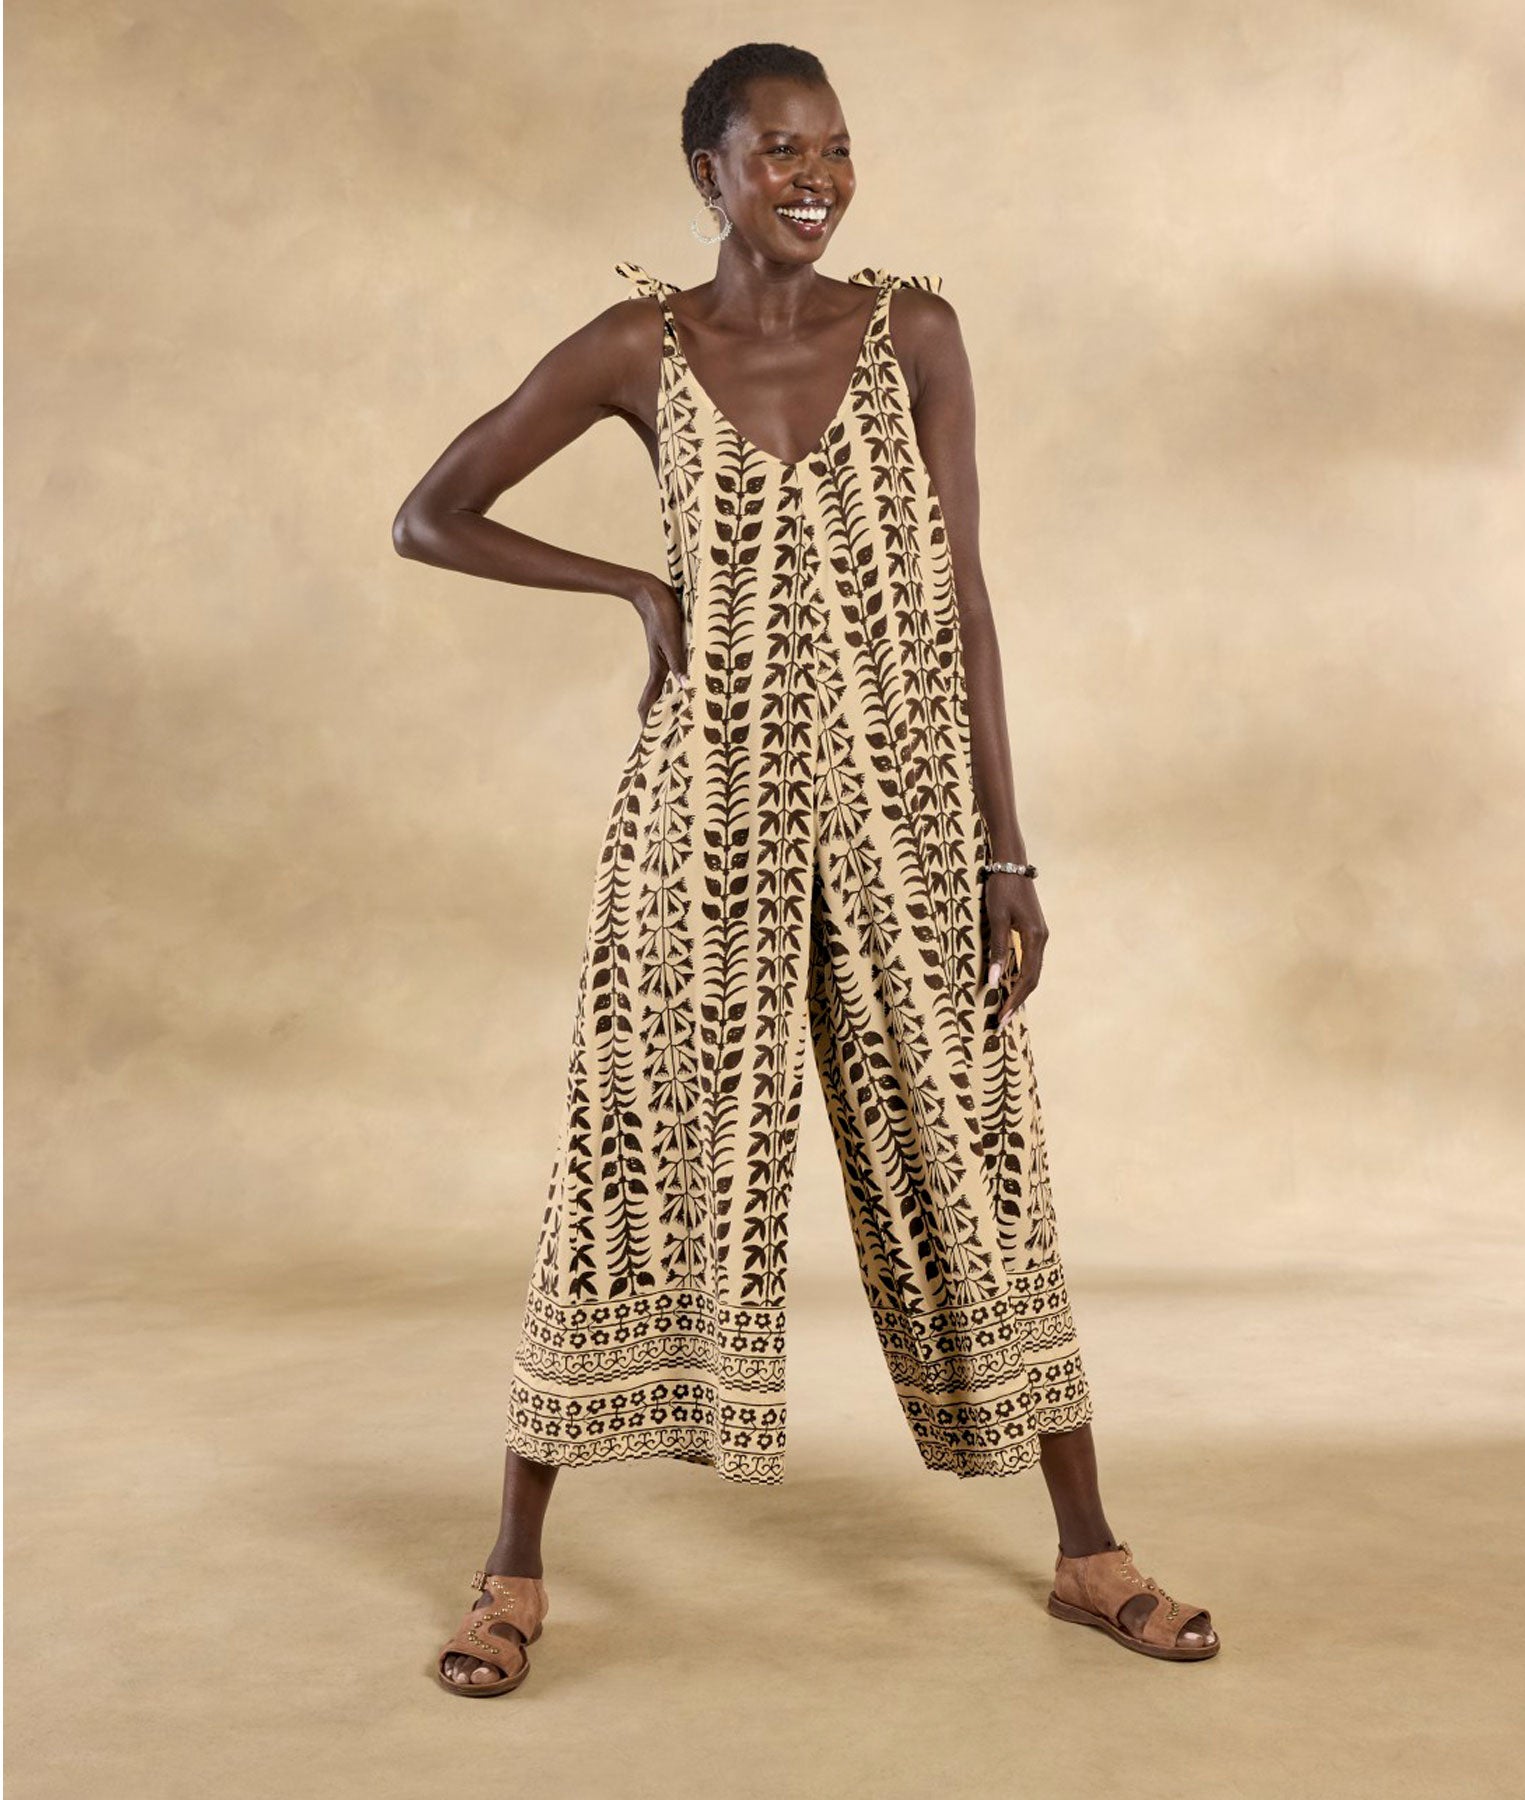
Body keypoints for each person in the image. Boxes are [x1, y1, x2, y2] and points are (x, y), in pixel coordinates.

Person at [392, 41, 1218, 1695]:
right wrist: (636, 589)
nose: (818, 178)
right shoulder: (638, 349)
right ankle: (511, 1570)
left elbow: (964, 598)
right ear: (708, 172)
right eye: (780, 150)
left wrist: (1003, 849)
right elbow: (434, 513)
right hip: (700, 829)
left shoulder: (916, 334)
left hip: (909, 820)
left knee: (975, 1156)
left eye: (835, 147)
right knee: (629, 1158)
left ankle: (1091, 1553)